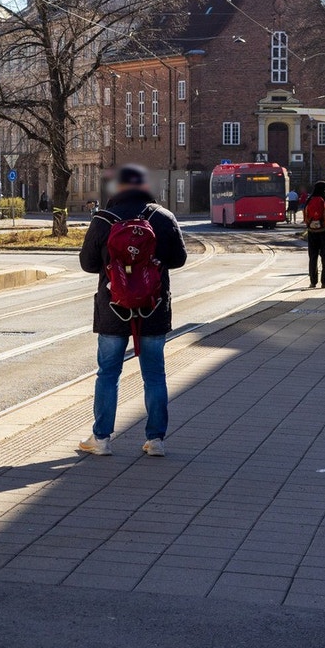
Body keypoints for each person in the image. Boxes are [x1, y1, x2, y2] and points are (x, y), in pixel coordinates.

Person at [77, 165, 188, 458]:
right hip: (153, 307)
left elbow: (88, 264)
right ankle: (156, 440)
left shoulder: (102, 220)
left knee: (108, 374)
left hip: (113, 308)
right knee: (154, 375)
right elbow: (178, 259)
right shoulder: (162, 217)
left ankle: (101, 439)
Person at [302, 180, 325, 288]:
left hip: (312, 232)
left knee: (313, 257)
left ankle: (313, 282)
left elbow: (305, 215)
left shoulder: (309, 200)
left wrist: (310, 226)